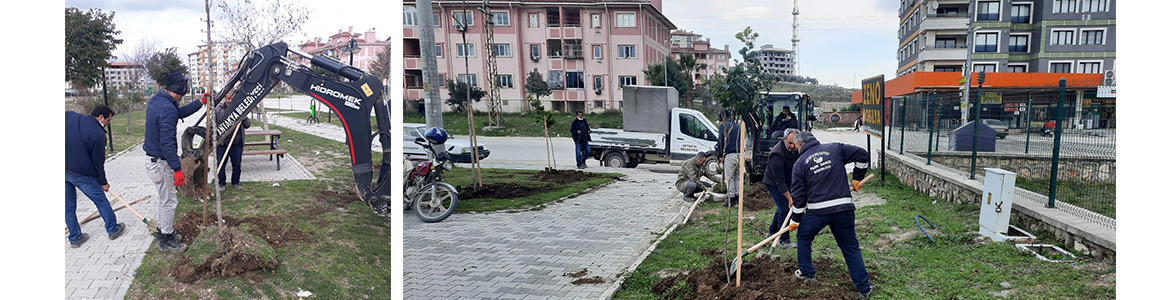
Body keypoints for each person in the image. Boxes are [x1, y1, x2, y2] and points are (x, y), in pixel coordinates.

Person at [788, 131, 872, 298]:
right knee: (850, 248)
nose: (796, 150)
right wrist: (857, 177)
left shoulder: (799, 164)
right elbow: (863, 155)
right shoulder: (835, 149)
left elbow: (798, 198)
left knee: (804, 237)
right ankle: (864, 289)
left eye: (796, 146)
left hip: (817, 212)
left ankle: (807, 273)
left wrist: (796, 220)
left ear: (802, 145)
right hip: (843, 208)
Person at [143, 71, 205, 253]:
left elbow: (179, 112)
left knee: (165, 200)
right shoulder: (167, 108)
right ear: (181, 90)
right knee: (169, 201)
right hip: (161, 164)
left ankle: (165, 233)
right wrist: (177, 168)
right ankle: (165, 240)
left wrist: (200, 102)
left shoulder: (158, 100)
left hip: (154, 160)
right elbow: (167, 143)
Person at [65, 105, 126, 248]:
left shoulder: (68, 116)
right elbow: (98, 163)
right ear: (100, 117)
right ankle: (113, 229)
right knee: (101, 201)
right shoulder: (98, 135)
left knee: (68, 208)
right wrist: (103, 183)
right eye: (108, 120)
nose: (108, 124)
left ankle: (75, 238)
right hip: (82, 174)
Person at [763, 128, 801, 249]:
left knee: (781, 208)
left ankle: (772, 232)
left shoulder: (796, 149)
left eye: (794, 143)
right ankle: (783, 240)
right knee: (785, 208)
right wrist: (790, 198)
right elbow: (780, 182)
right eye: (789, 143)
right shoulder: (777, 155)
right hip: (774, 183)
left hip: (787, 182)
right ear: (784, 139)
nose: (792, 146)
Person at [215, 91, 250, 191]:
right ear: (225, 98)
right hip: (222, 143)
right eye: (228, 98)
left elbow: (247, 125)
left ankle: (235, 183)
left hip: (236, 143)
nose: (230, 101)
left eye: (232, 99)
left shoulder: (240, 109)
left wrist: (244, 118)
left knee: (237, 164)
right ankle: (221, 183)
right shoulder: (218, 110)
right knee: (220, 165)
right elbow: (212, 125)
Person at [715, 110, 742, 207]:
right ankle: (738, 198)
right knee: (738, 177)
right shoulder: (737, 126)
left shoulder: (723, 126)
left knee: (730, 178)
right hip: (739, 154)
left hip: (730, 155)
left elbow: (720, 141)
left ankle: (731, 199)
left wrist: (720, 155)